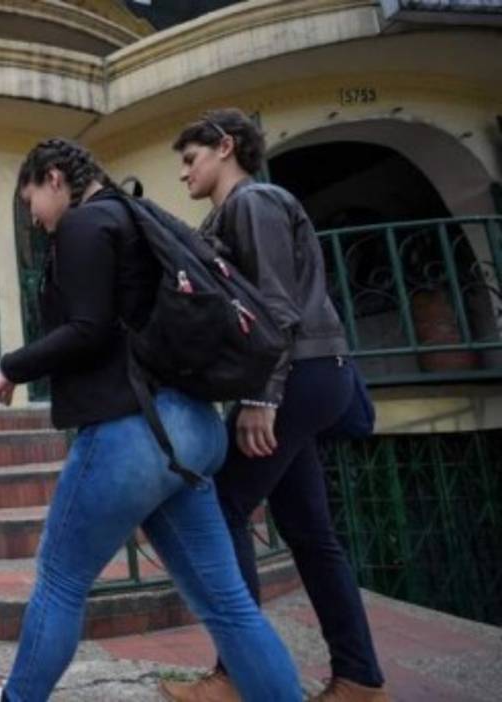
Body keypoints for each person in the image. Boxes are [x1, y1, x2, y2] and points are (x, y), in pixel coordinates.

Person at [0, 138, 302, 702]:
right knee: (228, 605)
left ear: (55, 179)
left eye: (30, 199)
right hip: (193, 429)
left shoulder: (84, 226)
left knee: (60, 581)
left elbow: (89, 328)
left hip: (132, 432)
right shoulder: (136, 216)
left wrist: (10, 366)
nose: (32, 216)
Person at [160, 109, 388, 702]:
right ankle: (359, 678)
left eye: (191, 159)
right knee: (311, 532)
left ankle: (238, 677)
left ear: (225, 147)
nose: (185, 174)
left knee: (225, 505)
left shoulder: (254, 204)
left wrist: (263, 396)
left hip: (297, 376)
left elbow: (276, 308)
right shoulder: (235, 212)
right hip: (312, 374)